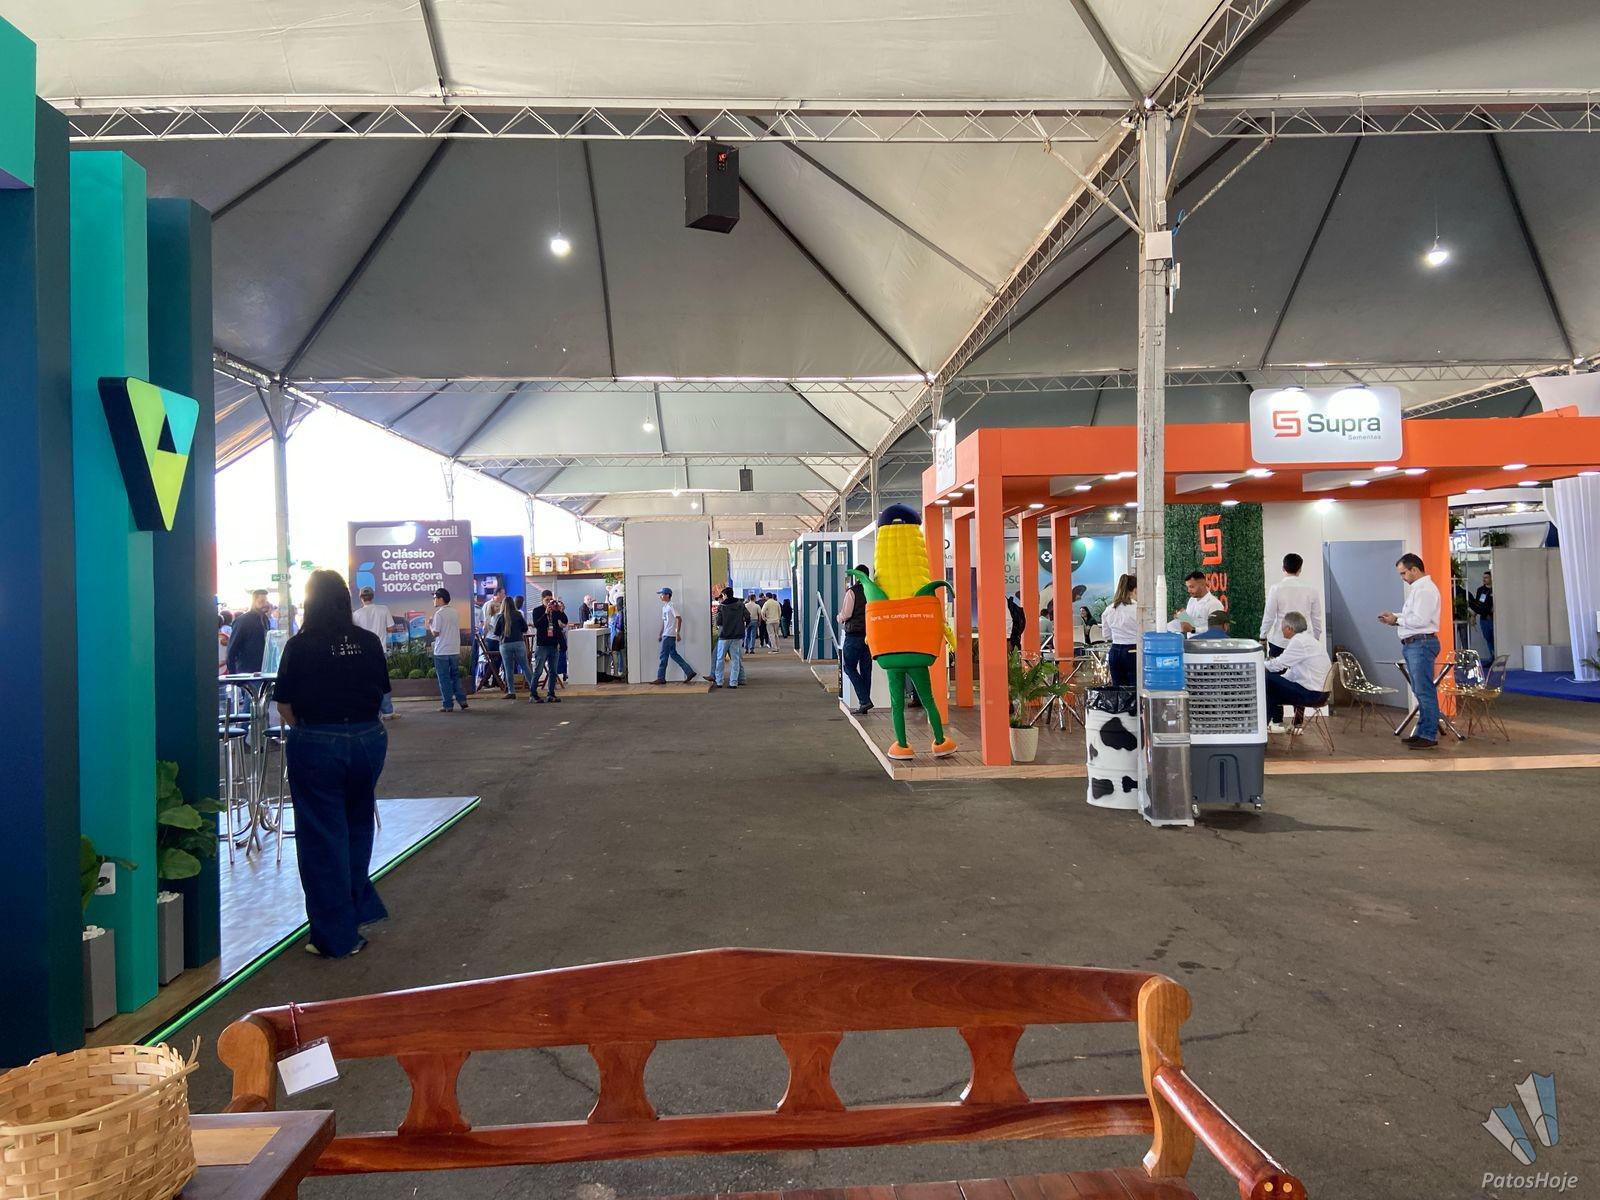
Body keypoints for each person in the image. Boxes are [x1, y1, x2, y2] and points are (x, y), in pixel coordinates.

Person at [271, 568, 390, 959]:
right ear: (344, 600)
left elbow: (284, 705)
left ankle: (337, 937)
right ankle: (357, 909)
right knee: (358, 826)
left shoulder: (299, 646)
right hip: (369, 740)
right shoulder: (368, 642)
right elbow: (381, 694)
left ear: (310, 602)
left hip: (317, 742)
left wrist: (314, 733)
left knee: (322, 838)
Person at [1379, 553, 1442, 748]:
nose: (1402, 577)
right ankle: (1422, 730)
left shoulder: (1425, 590)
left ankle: (1429, 734)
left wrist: (1397, 620)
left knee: (1424, 691)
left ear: (1414, 569)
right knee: (1420, 690)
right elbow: (1413, 616)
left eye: (1403, 573)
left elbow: (1420, 620)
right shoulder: (1419, 589)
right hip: (1416, 644)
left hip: (1421, 644)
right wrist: (1395, 617)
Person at [1264, 611, 1333, 734]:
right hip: (1321, 693)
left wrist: (1260, 665)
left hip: (1312, 694)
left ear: (1289, 628)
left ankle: (1266, 726)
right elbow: (1293, 672)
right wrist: (1279, 679)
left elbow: (1279, 664)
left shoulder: (1299, 642)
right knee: (1272, 686)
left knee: (1266, 678)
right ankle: (1274, 724)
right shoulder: (1309, 640)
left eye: (1282, 627)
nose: (1281, 630)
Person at [353, 585, 403, 719]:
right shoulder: (383, 609)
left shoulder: (356, 614)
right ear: (373, 596)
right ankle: (388, 712)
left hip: (363, 653)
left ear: (361, 598)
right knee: (383, 681)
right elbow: (391, 628)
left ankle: (371, 712)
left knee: (366, 681)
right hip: (380, 650)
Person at [1259, 553, 1323, 657]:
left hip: (1280, 642)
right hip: (1305, 642)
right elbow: (1316, 618)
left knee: (1277, 667)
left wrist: (1263, 636)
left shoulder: (1276, 589)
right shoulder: (1312, 590)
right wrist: (1316, 638)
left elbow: (1269, 616)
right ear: (1300, 569)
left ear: (1283, 568)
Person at [426, 587, 469, 712]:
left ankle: (448, 704)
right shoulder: (454, 612)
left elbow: (436, 633)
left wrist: (430, 624)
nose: (433, 600)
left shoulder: (439, 614)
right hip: (454, 649)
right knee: (455, 676)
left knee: (444, 679)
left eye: (435, 598)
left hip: (442, 650)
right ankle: (462, 700)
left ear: (441, 599)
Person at [837, 565, 872, 714]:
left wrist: (838, 618)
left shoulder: (852, 592)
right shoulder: (873, 590)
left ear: (857, 576)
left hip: (854, 636)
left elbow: (846, 614)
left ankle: (864, 701)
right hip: (869, 636)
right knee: (866, 670)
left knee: (849, 667)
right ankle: (864, 703)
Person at [652, 586, 698, 684]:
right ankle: (689, 671)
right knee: (674, 655)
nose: (660, 596)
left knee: (663, 656)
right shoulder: (664, 607)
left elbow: (679, 618)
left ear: (667, 595)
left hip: (669, 635)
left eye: (661, 594)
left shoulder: (671, 606)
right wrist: (660, 634)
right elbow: (664, 622)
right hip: (666, 635)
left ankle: (661, 678)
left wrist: (677, 632)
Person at [1101, 573, 1139, 688]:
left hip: (1115, 651)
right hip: (1133, 650)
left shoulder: (1109, 609)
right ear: (1135, 589)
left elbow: (1106, 635)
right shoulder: (1138, 608)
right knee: (1134, 689)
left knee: (1118, 690)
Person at [529, 589, 567, 703]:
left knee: (553, 671)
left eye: (551, 600)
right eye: (547, 600)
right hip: (542, 645)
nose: (549, 602)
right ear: (542, 600)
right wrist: (545, 613)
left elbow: (564, 621)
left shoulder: (555, 611)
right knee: (538, 671)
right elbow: (537, 624)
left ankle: (551, 694)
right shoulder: (537, 610)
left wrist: (561, 611)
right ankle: (533, 694)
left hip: (553, 644)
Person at [226, 589, 271, 674]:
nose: (266, 604)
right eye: (262, 601)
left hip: (262, 671)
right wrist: (233, 674)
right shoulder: (243, 620)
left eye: (266, 601)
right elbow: (232, 649)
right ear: (254, 602)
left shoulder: (265, 620)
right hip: (246, 672)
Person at [497, 595, 534, 698]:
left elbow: (496, 632)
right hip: (519, 642)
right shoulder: (518, 614)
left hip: (505, 644)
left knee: (508, 669)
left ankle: (511, 692)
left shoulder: (500, 617)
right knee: (525, 666)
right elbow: (525, 628)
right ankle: (533, 689)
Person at [711, 586, 747, 690]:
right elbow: (747, 617)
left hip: (724, 636)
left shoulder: (722, 607)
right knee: (735, 660)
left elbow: (719, 622)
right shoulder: (741, 605)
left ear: (725, 595)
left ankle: (719, 681)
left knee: (720, 659)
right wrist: (742, 627)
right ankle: (733, 682)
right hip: (736, 636)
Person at [1172, 571, 1225, 635]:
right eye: (1187, 587)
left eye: (1191, 587)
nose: (1188, 590)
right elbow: (1190, 623)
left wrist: (1193, 630)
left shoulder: (1214, 604)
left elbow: (1217, 630)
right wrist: (1181, 617)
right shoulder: (1191, 600)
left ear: (1202, 584)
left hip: (1205, 641)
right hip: (1190, 640)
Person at [1469, 569, 1495, 661]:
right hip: (1484, 618)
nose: (1484, 579)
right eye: (1483, 578)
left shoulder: (1495, 589)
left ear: (1491, 578)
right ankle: (1492, 655)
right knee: (1488, 638)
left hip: (1493, 618)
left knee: (1495, 638)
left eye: (1486, 577)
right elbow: (1478, 604)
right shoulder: (1481, 590)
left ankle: (1495, 656)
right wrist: (1473, 615)